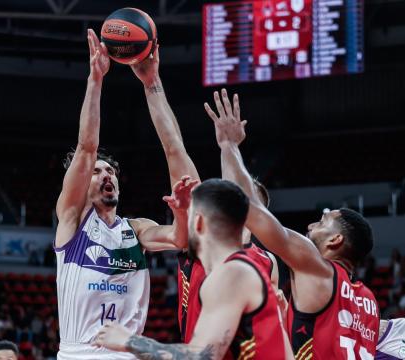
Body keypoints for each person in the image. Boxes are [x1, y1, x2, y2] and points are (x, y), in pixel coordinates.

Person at [54, 29, 198, 359]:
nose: (107, 176)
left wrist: (181, 212)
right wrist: (96, 79)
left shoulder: (134, 230)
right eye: (98, 171)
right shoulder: (72, 221)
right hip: (80, 354)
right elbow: (86, 148)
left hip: (129, 353)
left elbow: (179, 239)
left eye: (112, 172)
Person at [204, 89, 378, 359]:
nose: (311, 225)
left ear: (336, 240)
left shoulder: (318, 268)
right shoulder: (369, 301)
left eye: (323, 221)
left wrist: (229, 146)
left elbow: (248, 208)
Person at [130, 46, 283, 342]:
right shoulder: (200, 239)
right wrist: (152, 84)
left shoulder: (267, 262)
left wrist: (231, 149)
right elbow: (173, 148)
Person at [94, 179, 293, 359]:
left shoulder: (234, 274)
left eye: (189, 214)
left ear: (198, 222)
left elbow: (200, 356)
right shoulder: (235, 269)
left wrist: (129, 341)